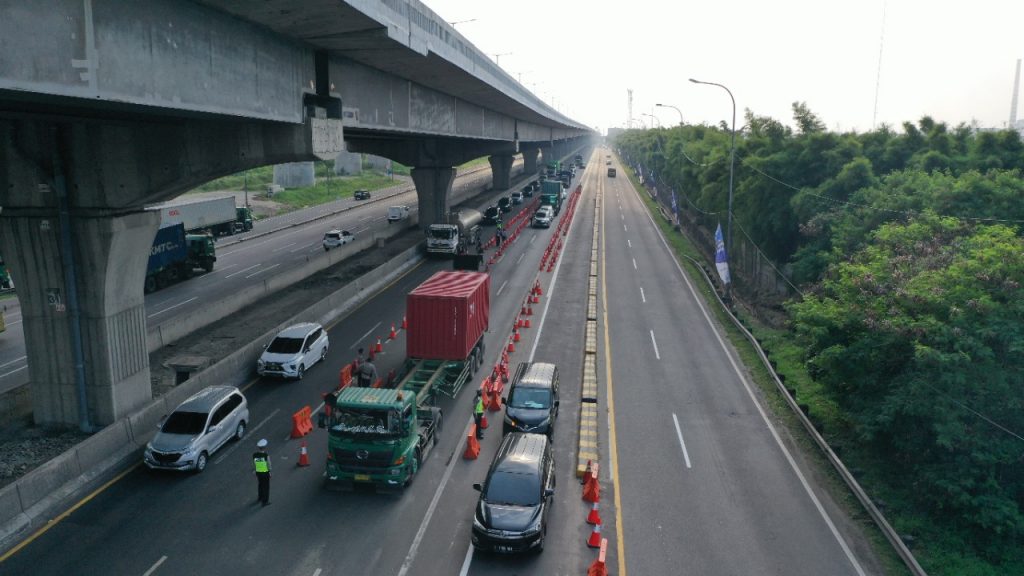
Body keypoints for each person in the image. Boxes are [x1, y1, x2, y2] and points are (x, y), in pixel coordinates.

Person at [253, 438, 271, 506]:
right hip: (265, 473)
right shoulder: (266, 456)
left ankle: (260, 497)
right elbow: (269, 465)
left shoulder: (254, 455)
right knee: (266, 487)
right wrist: (269, 472)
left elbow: (254, 463)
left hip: (258, 473)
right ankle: (265, 501)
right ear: (264, 447)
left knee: (260, 485)